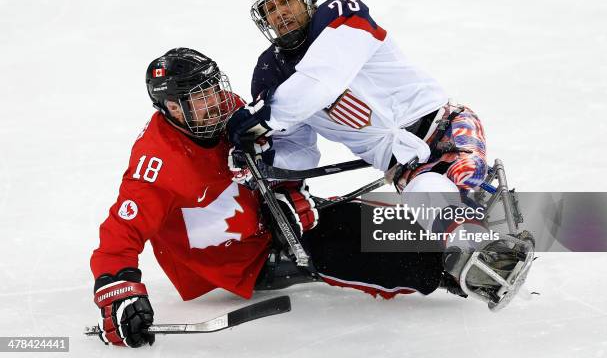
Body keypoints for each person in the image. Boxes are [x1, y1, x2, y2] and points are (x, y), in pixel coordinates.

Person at [90, 47, 451, 349]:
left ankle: (452, 236)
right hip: (241, 260)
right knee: (347, 247)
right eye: (199, 100)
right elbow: (118, 237)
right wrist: (118, 295)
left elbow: (268, 154)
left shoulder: (226, 111)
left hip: (262, 220)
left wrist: (283, 193)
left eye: (213, 90)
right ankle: (447, 268)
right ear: (170, 107)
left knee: (351, 220)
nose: (215, 104)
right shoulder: (155, 165)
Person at [227, 0, 531, 308]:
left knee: (456, 183)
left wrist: (264, 118)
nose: (280, 14)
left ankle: (476, 234)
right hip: (407, 167)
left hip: (446, 128)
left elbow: (320, 81)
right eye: (270, 9)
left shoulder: (341, 15)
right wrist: (266, 155)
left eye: (287, 1)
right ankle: (477, 252)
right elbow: (298, 149)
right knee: (430, 193)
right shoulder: (270, 74)